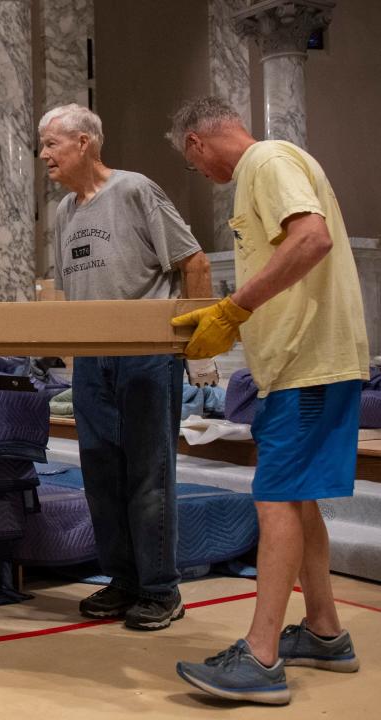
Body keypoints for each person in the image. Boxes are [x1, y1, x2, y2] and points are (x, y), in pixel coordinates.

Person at [169, 96, 368, 705]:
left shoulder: (265, 160)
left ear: (198, 144)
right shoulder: (274, 164)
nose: (198, 172)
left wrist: (235, 307)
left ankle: (259, 657)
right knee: (297, 500)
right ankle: (326, 632)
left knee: (275, 500)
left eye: (191, 162)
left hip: (308, 365)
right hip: (303, 365)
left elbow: (312, 238)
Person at [38, 104, 212, 630]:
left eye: (51, 143)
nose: (44, 154)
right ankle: (124, 581)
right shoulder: (65, 212)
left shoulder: (136, 190)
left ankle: (161, 589)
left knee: (149, 475)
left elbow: (194, 262)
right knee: (101, 475)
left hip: (145, 355)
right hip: (92, 361)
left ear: (85, 142)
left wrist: (195, 350)